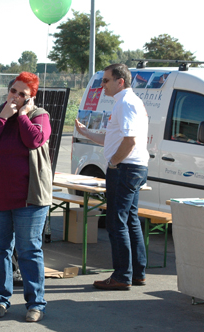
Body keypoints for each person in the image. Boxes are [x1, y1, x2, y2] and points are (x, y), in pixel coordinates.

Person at [0, 72, 52, 322]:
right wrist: (3, 119)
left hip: (30, 198)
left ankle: (35, 304)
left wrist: (22, 116)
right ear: (8, 92)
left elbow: (35, 140)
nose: (16, 97)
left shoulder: (40, 116)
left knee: (29, 250)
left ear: (31, 98)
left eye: (23, 94)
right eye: (13, 92)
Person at [74, 63, 149, 291]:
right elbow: (114, 138)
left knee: (117, 222)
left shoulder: (126, 103)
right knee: (129, 220)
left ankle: (122, 275)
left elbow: (130, 141)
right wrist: (86, 132)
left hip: (126, 168)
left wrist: (114, 163)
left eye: (105, 80)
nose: (102, 85)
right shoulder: (127, 102)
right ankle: (136, 272)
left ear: (120, 81)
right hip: (131, 167)